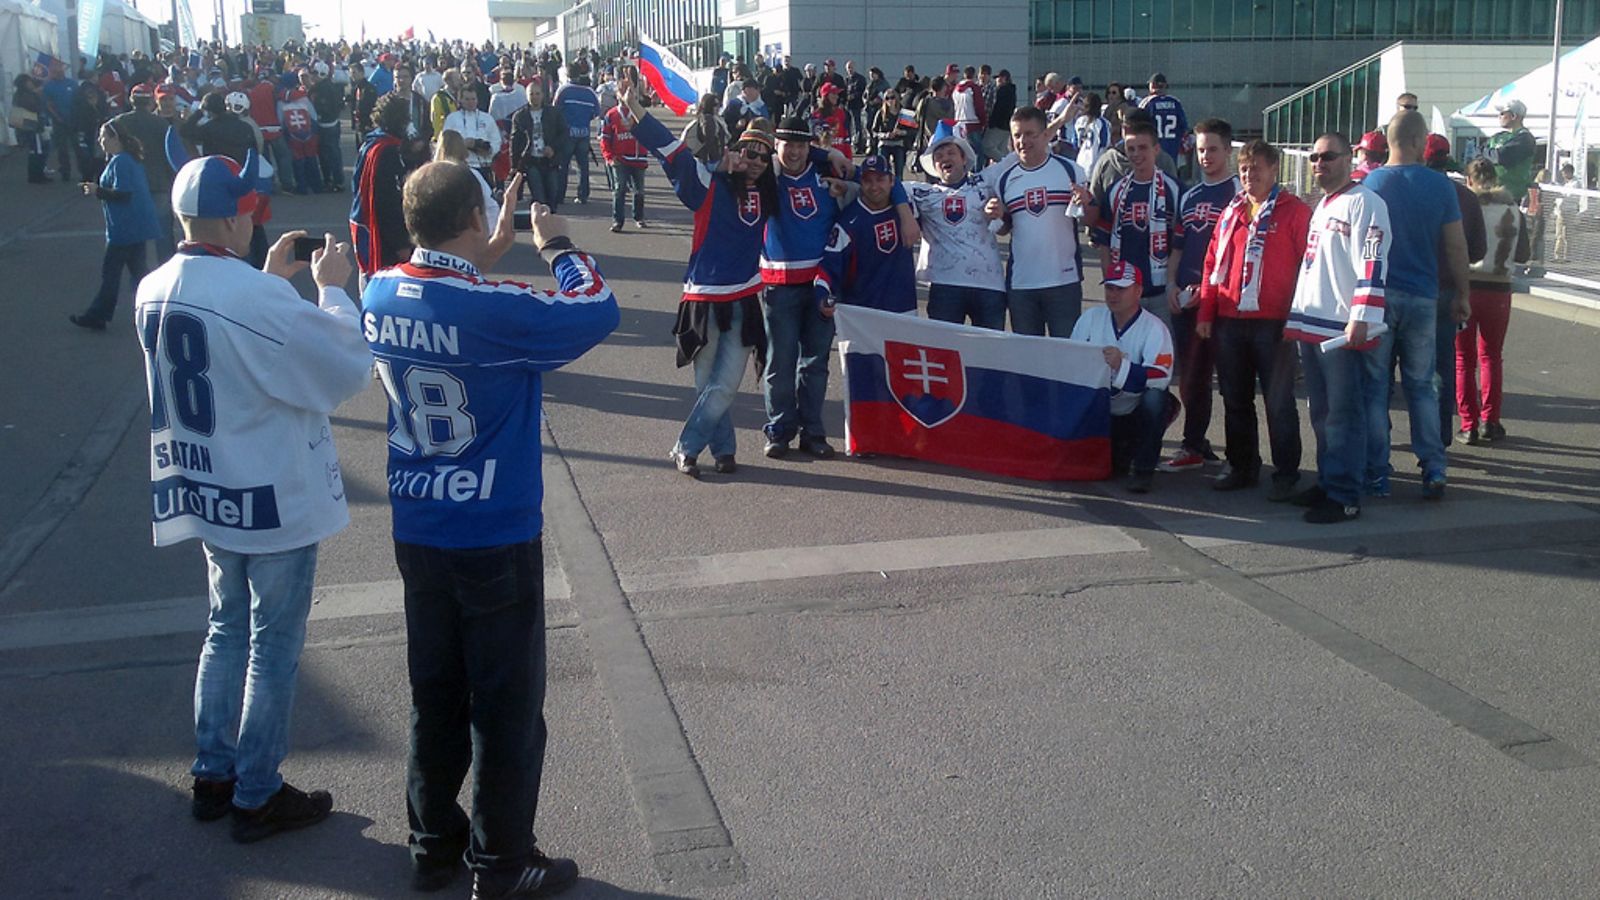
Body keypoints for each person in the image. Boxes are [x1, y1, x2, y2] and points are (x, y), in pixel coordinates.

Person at [361, 161, 617, 897]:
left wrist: (483, 247)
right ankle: (502, 861)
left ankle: (431, 841)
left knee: (434, 692)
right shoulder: (496, 306)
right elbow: (596, 309)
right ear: (476, 218)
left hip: (418, 522)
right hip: (492, 528)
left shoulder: (377, 290)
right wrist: (559, 245)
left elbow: (442, 289)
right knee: (506, 706)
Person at [137, 151, 371, 842]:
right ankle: (259, 791)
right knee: (271, 645)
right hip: (269, 490)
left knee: (223, 629)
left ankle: (214, 771)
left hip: (203, 483)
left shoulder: (153, 284)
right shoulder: (254, 298)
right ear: (238, 221)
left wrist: (267, 282)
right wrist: (331, 289)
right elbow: (342, 364)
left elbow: (233, 341)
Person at [628, 100, 779, 476]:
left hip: (745, 300)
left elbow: (803, 156)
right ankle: (725, 450)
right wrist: (639, 114)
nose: (756, 160)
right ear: (735, 151)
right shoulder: (709, 185)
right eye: (750, 152)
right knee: (707, 384)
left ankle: (686, 446)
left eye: (764, 155)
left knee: (725, 385)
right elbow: (673, 153)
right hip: (703, 299)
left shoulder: (771, 194)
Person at [1361, 110, 1470, 500]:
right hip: (1424, 296)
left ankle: (1377, 471)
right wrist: (1462, 293)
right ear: (1420, 141)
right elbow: (1456, 245)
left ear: (1389, 141)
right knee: (1422, 386)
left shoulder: (1370, 184)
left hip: (1378, 297)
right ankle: (1433, 466)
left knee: (1375, 388)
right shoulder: (1440, 186)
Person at [1285, 133, 1392, 524]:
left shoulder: (1366, 202)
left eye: (1328, 156)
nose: (1319, 163)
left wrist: (1363, 315)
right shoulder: (1324, 205)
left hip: (1342, 327)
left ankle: (1345, 493)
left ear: (1351, 158)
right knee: (1322, 412)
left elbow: (1372, 261)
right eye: (1314, 156)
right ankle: (1328, 480)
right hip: (1313, 324)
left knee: (1344, 414)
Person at [1196, 139, 1310, 500]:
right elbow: (1211, 264)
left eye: (1257, 167)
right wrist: (1205, 313)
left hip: (1274, 322)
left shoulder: (1293, 211)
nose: (1250, 175)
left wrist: (1300, 317)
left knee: (1278, 402)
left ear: (1274, 170)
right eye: (1244, 169)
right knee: (1235, 398)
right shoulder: (1231, 212)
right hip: (1230, 319)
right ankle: (1242, 465)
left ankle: (1286, 473)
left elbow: (1309, 268)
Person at [760, 115, 857, 458]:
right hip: (779, 285)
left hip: (820, 285)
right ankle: (779, 429)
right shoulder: (766, 177)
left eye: (802, 145)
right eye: (789, 145)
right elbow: (744, 151)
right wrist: (822, 152)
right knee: (780, 361)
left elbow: (874, 181)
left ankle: (813, 432)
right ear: (777, 146)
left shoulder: (828, 179)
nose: (795, 152)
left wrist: (828, 158)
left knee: (815, 363)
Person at [1160, 117, 1238, 473]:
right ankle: (1194, 444)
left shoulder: (1239, 192)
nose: (1206, 156)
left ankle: (1239, 456)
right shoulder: (1189, 195)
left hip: (1226, 302)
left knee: (1233, 382)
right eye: (1201, 149)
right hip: (1188, 301)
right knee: (1191, 378)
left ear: (1227, 150)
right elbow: (1178, 247)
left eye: (1213, 149)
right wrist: (1172, 285)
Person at [983, 105, 1096, 336]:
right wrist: (997, 214)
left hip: (1063, 281)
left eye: (1030, 134)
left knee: (1066, 353)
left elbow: (1091, 220)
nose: (1023, 141)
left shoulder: (1071, 171)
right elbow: (1005, 229)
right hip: (1022, 285)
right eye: (1017, 135)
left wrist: (1087, 202)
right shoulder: (1004, 180)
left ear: (1045, 135)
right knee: (1030, 359)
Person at [1070, 260, 1176, 494]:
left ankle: (1143, 470)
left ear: (1138, 291)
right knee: (1113, 467)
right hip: (1100, 409)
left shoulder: (1155, 328)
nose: (1113, 294)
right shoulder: (1091, 318)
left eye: (1121, 288)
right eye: (1110, 287)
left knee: (1156, 399)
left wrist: (1123, 365)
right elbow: (1071, 359)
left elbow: (1160, 376)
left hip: (1134, 409)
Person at [1456, 158, 1529, 445]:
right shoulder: (1512, 208)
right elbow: (1522, 254)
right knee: (1491, 357)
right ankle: (1491, 420)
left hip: (1467, 287)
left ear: (1469, 181)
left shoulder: (1466, 207)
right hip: (1499, 290)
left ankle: (1468, 424)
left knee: (1463, 360)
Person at [906, 122, 1006, 329]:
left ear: (964, 158)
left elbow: (1022, 156)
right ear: (933, 166)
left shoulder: (985, 182)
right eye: (939, 156)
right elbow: (879, 182)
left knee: (992, 354)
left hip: (989, 286)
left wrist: (1000, 210)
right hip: (945, 286)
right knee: (946, 354)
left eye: (951, 153)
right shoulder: (921, 193)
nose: (945, 159)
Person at [1423, 133, 1487, 445]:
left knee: (1388, 368)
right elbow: (1477, 251)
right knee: (1441, 366)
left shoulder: (1405, 190)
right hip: (1447, 290)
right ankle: (1440, 437)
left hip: (1407, 288)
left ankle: (1381, 442)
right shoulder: (1465, 196)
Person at [68, 120, 159, 330]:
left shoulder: (121, 162)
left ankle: (98, 314)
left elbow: (124, 194)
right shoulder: (126, 159)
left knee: (111, 274)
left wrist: (96, 190)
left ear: (115, 138)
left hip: (125, 228)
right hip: (134, 226)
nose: (100, 141)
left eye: (104, 137)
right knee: (139, 274)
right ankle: (156, 310)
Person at [1093, 118, 1182, 327]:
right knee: (1124, 354)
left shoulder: (1175, 189)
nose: (1136, 154)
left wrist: (1172, 284)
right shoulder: (1115, 191)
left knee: (1163, 356)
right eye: (1131, 148)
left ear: (1156, 149)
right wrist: (1111, 284)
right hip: (1126, 294)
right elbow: (1104, 244)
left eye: (1142, 147)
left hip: (1161, 292)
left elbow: (1181, 245)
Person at [817, 154, 922, 314]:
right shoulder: (848, 222)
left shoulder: (909, 210)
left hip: (904, 310)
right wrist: (822, 295)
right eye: (867, 181)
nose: (874, 187)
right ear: (860, 182)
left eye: (880, 179)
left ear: (892, 181)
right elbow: (829, 266)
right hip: (862, 315)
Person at [350, 93, 415, 282]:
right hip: (381, 233)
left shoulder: (371, 144)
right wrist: (400, 243)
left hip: (363, 221)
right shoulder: (386, 152)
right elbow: (388, 202)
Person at [113, 83, 178, 258]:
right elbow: (171, 154)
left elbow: (110, 151)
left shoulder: (119, 123)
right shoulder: (162, 124)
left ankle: (139, 272)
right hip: (159, 183)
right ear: (151, 101)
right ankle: (167, 271)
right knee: (163, 232)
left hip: (130, 184)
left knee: (135, 234)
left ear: (131, 100)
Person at [510, 80, 569, 210]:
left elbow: (564, 133)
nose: (535, 97)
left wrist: (553, 147)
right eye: (531, 94)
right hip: (531, 161)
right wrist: (514, 165)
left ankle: (550, 223)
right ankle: (540, 224)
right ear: (527, 96)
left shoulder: (554, 113)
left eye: (537, 93)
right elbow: (515, 141)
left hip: (550, 161)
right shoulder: (520, 116)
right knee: (539, 197)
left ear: (542, 95)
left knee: (552, 196)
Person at [600, 85, 649, 232]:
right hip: (620, 159)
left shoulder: (639, 113)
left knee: (639, 190)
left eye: (630, 92)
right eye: (623, 92)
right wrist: (609, 156)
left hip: (638, 158)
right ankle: (617, 221)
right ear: (617, 96)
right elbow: (605, 138)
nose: (627, 95)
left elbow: (649, 132)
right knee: (619, 189)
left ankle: (639, 217)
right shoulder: (611, 115)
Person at [552, 69, 600, 205]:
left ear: (567, 75)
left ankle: (560, 195)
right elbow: (596, 112)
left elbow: (556, 109)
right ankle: (583, 195)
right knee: (583, 166)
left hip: (567, 133)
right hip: (583, 133)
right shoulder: (590, 92)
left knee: (563, 166)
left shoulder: (563, 91)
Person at [443, 85, 502, 187]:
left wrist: (488, 149)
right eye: (467, 99)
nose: (471, 102)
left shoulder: (487, 118)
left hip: (483, 166)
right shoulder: (452, 118)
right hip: (461, 167)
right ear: (460, 100)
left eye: (473, 99)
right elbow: (446, 141)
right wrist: (463, 144)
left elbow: (496, 140)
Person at [1484, 98, 1537, 203]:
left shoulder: (1525, 139)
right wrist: (1491, 155)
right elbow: (1477, 154)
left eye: (1503, 113)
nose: (1499, 116)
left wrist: (1488, 154)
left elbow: (1502, 157)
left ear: (1514, 116)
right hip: (1491, 193)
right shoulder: (1497, 137)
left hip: (1512, 197)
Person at [1138, 73, 1189, 170]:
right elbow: (1184, 129)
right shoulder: (1175, 102)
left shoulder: (1147, 102)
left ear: (1152, 85)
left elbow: (1137, 127)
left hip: (1152, 150)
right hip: (1173, 150)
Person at [309, 63, 347, 192]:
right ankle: (335, 180)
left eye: (314, 73)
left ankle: (333, 180)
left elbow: (324, 107)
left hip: (326, 125)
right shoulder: (329, 87)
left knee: (329, 154)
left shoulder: (322, 89)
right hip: (332, 123)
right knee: (332, 153)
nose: (312, 76)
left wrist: (318, 113)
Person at [43, 60, 79, 182]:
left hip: (74, 120)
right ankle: (65, 171)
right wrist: (57, 118)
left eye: (60, 71)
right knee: (62, 148)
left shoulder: (72, 84)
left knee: (78, 146)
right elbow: (48, 104)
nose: (58, 73)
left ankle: (84, 171)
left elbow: (79, 100)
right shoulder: (49, 86)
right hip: (59, 122)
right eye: (55, 72)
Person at [12, 74, 49, 184]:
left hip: (31, 126)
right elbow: (33, 107)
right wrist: (36, 95)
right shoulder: (24, 95)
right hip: (32, 126)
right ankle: (36, 175)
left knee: (37, 150)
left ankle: (37, 174)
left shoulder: (19, 95)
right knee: (37, 151)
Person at [868, 88, 911, 179]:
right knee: (883, 171)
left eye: (892, 97)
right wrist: (885, 135)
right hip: (885, 144)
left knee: (899, 174)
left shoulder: (903, 113)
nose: (890, 100)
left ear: (897, 98)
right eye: (887, 98)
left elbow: (912, 130)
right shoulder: (881, 112)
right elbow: (874, 131)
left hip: (899, 144)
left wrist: (902, 132)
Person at [681, 92, 731, 163]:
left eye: (719, 105)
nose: (718, 108)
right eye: (715, 105)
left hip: (710, 158)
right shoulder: (708, 119)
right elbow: (709, 140)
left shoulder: (716, 119)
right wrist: (711, 159)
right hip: (709, 160)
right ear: (708, 105)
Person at [982, 70, 1017, 166]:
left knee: (987, 146)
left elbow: (997, 108)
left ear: (1004, 78)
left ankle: (1008, 164)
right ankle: (1009, 167)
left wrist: (991, 123)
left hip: (998, 124)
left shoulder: (1002, 91)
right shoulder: (1012, 91)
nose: (997, 80)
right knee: (1002, 149)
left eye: (999, 78)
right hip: (1007, 125)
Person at [1072, 92, 1111, 177]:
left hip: (1081, 162)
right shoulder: (1103, 123)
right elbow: (1104, 144)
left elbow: (1075, 144)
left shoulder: (1079, 121)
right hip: (1096, 165)